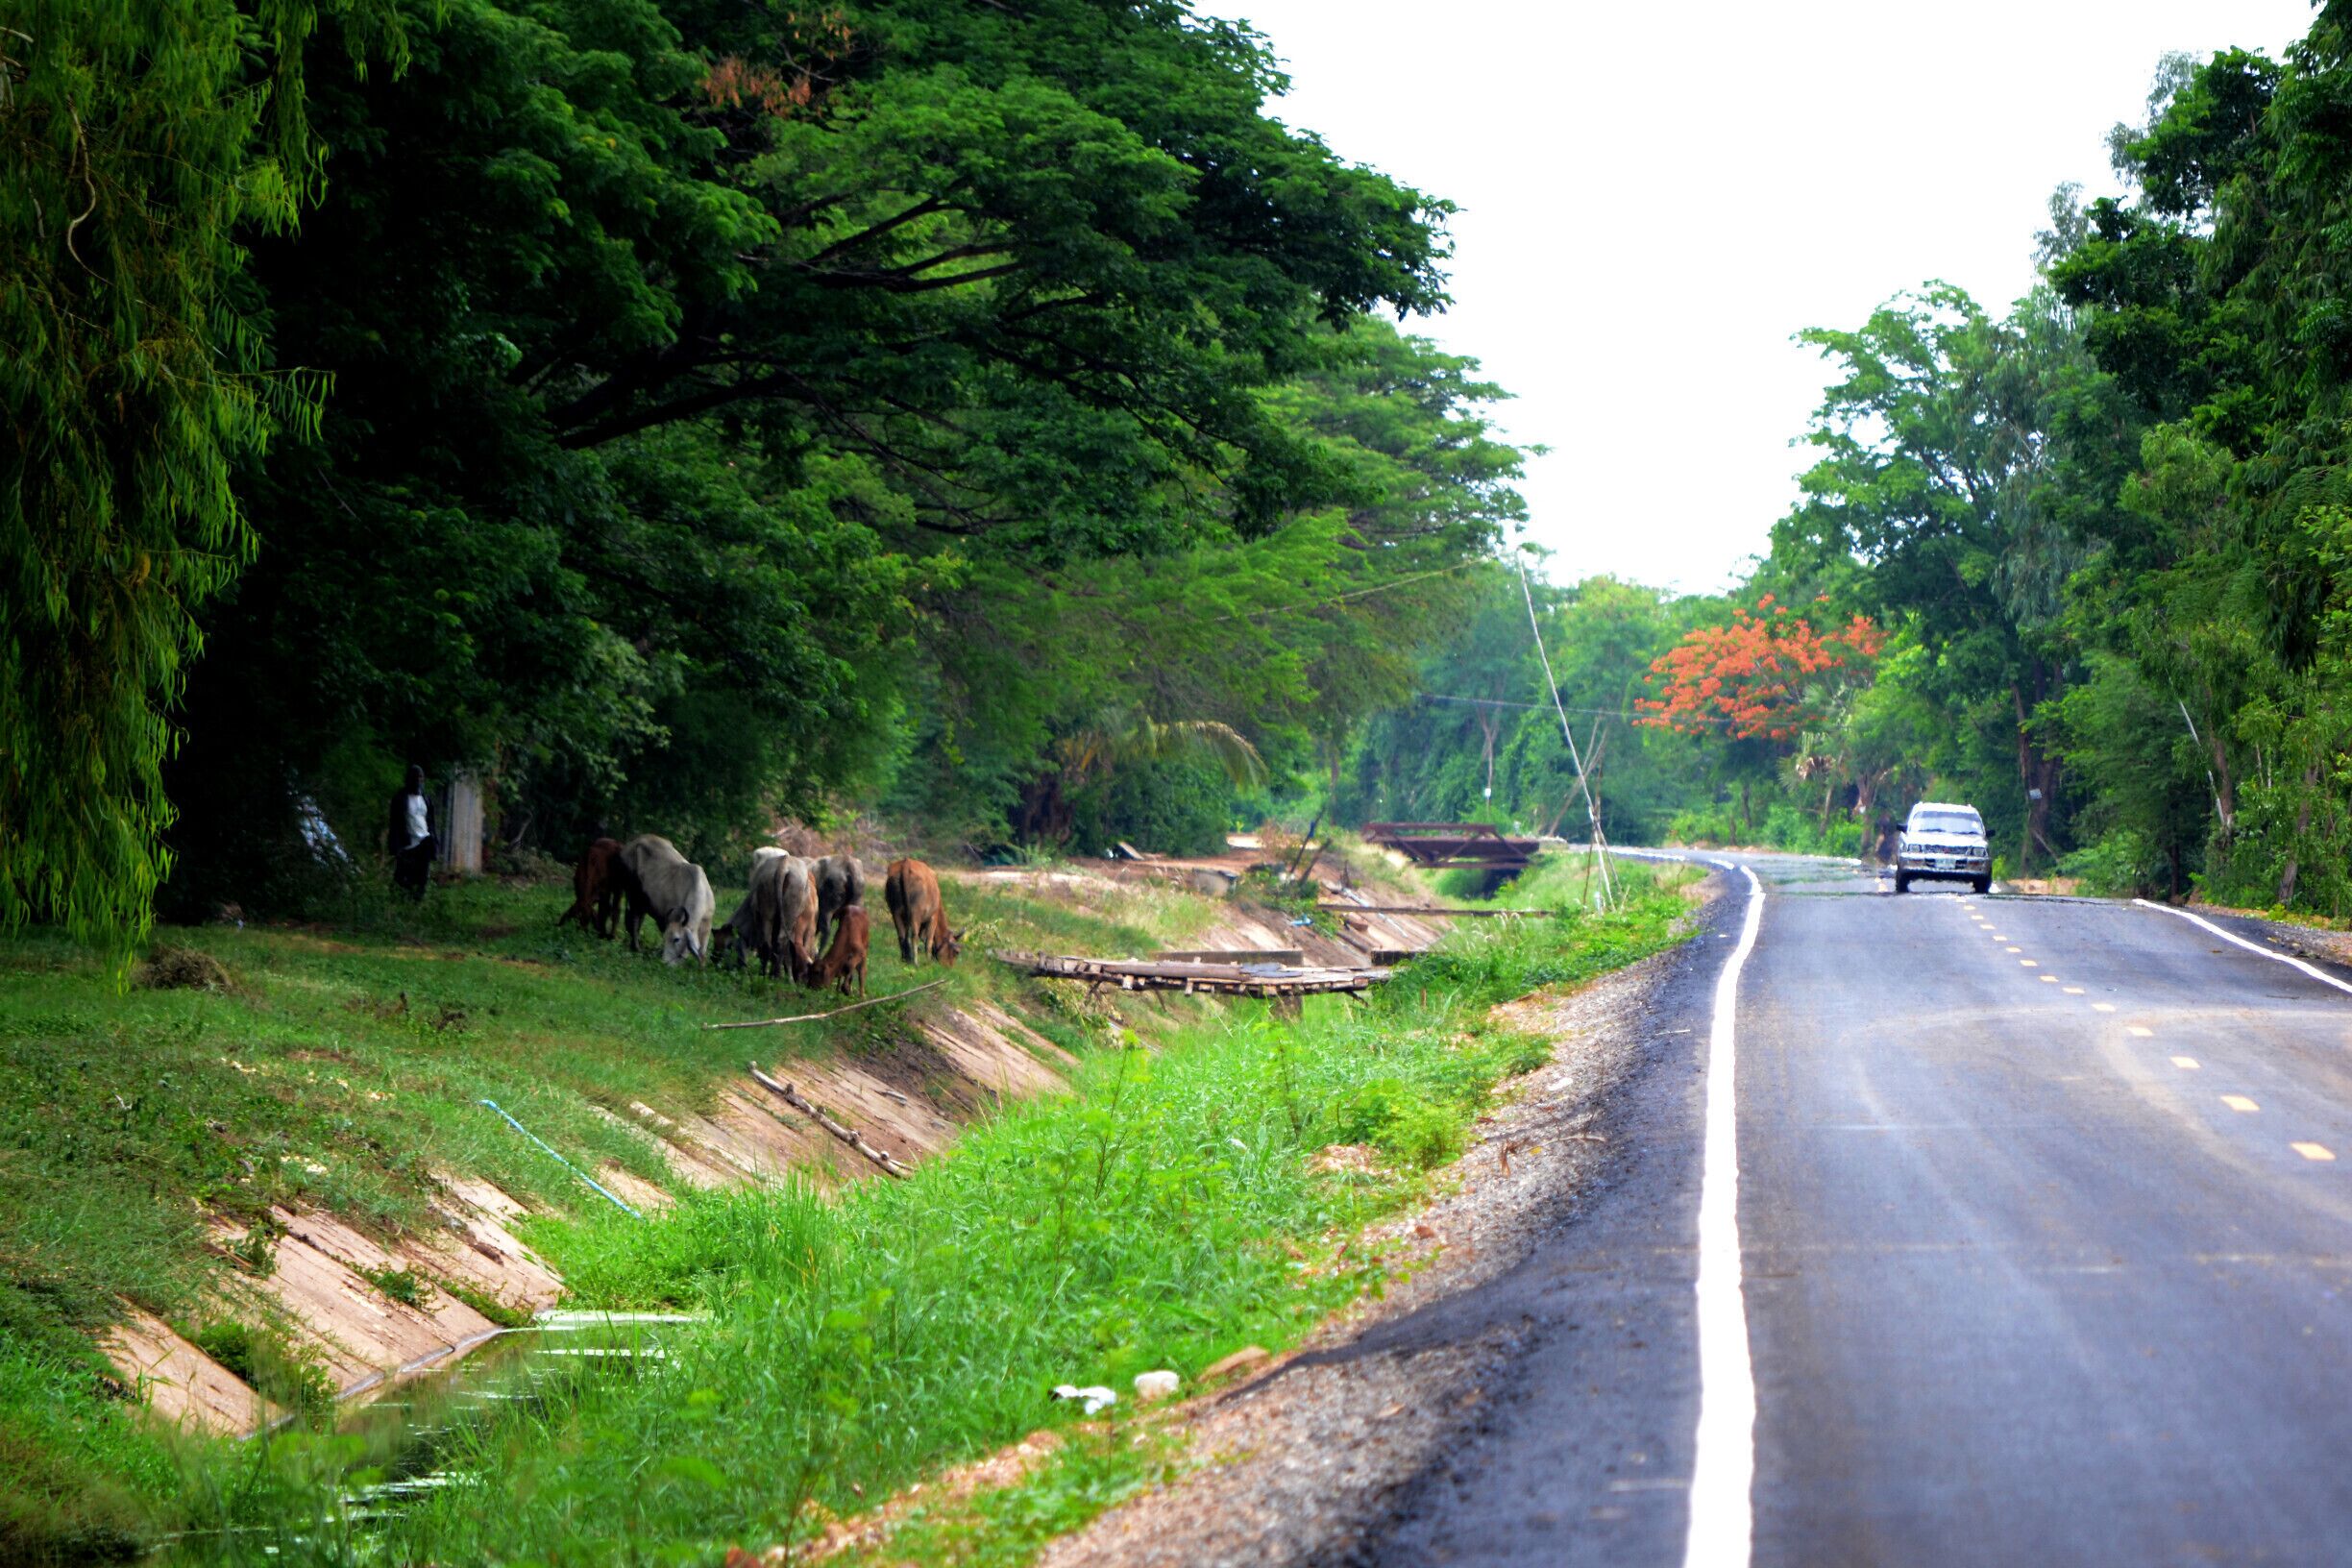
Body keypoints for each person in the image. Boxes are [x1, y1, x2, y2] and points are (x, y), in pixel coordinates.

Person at [389, 765, 435, 899]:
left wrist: (433, 841)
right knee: (403, 876)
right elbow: (395, 823)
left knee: (422, 877)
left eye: (421, 777)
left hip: (424, 841)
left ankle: (417, 903)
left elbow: (431, 821)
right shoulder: (400, 798)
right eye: (416, 777)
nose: (419, 781)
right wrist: (395, 846)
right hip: (407, 843)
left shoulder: (425, 799)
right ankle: (399, 901)